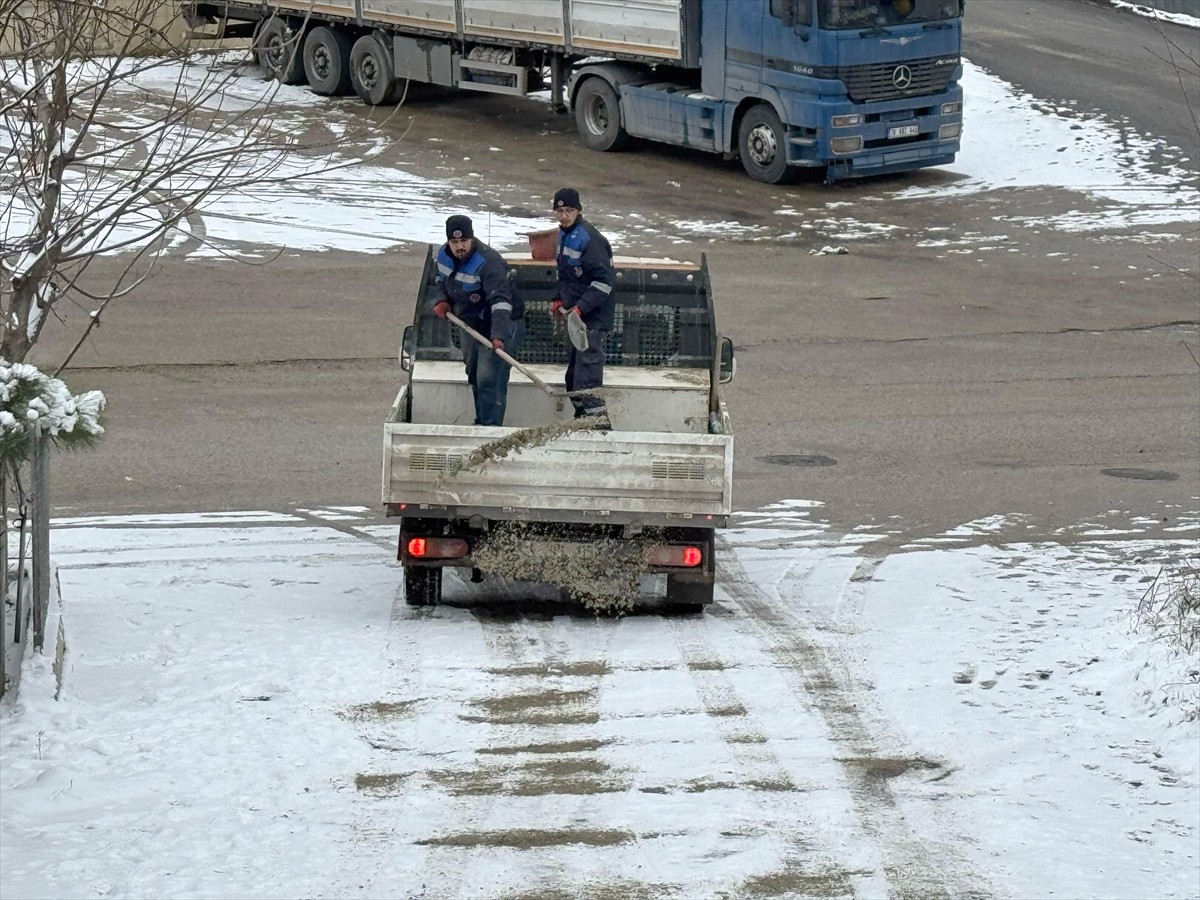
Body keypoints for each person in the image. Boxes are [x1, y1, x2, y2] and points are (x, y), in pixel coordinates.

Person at [431, 214, 525, 427]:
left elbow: (501, 302)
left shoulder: (488, 262)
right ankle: (481, 421)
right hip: (471, 324)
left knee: (489, 378)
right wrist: (442, 300)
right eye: (454, 242)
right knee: (473, 373)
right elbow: (440, 281)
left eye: (464, 241)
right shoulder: (443, 256)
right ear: (448, 242)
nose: (459, 247)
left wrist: (499, 335)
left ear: (472, 239)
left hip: (501, 323)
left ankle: (490, 429)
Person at [548, 187, 615, 428]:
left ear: (578, 211)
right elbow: (566, 276)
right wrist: (559, 299)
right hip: (577, 318)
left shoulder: (590, 239)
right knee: (573, 379)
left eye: (569, 210)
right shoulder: (564, 236)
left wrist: (580, 308)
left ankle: (599, 426)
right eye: (560, 210)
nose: (564, 215)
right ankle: (583, 420)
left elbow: (604, 282)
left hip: (592, 320)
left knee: (587, 377)